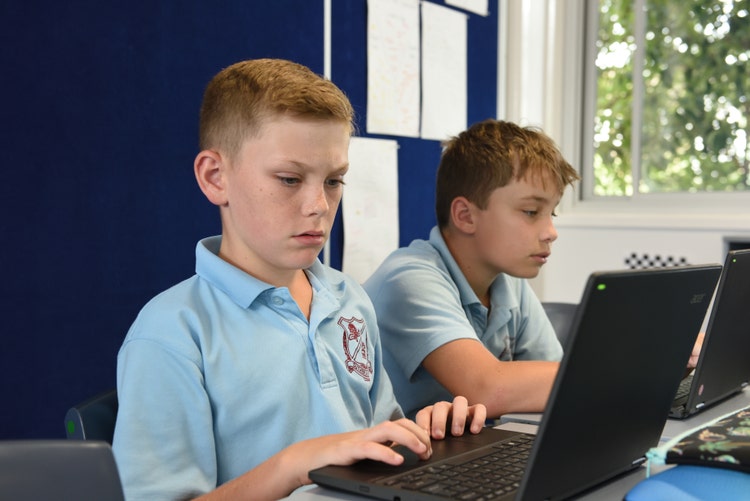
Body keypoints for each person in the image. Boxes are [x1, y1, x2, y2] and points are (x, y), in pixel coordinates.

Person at [112, 59, 486, 501]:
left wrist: (425, 432)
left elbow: (378, 443)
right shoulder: (172, 333)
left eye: (333, 181)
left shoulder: (350, 300)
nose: (319, 205)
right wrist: (292, 465)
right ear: (216, 178)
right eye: (289, 179)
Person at [363, 119, 580, 419]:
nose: (551, 231)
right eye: (531, 212)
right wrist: (612, 379)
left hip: (468, 451)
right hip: (400, 460)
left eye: (551, 212)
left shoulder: (507, 281)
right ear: (465, 216)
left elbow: (556, 382)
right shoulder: (409, 279)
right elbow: (486, 388)